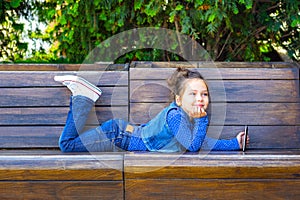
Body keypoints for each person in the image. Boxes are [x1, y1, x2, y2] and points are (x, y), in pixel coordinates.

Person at [54, 67, 249, 153]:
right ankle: (83, 97)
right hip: (116, 135)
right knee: (67, 145)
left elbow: (202, 142)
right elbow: (194, 146)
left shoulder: (187, 122)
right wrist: (202, 120)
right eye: (193, 94)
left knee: (68, 145)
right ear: (179, 100)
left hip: (123, 136)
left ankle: (83, 97)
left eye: (204, 94)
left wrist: (234, 143)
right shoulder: (175, 116)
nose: (200, 98)